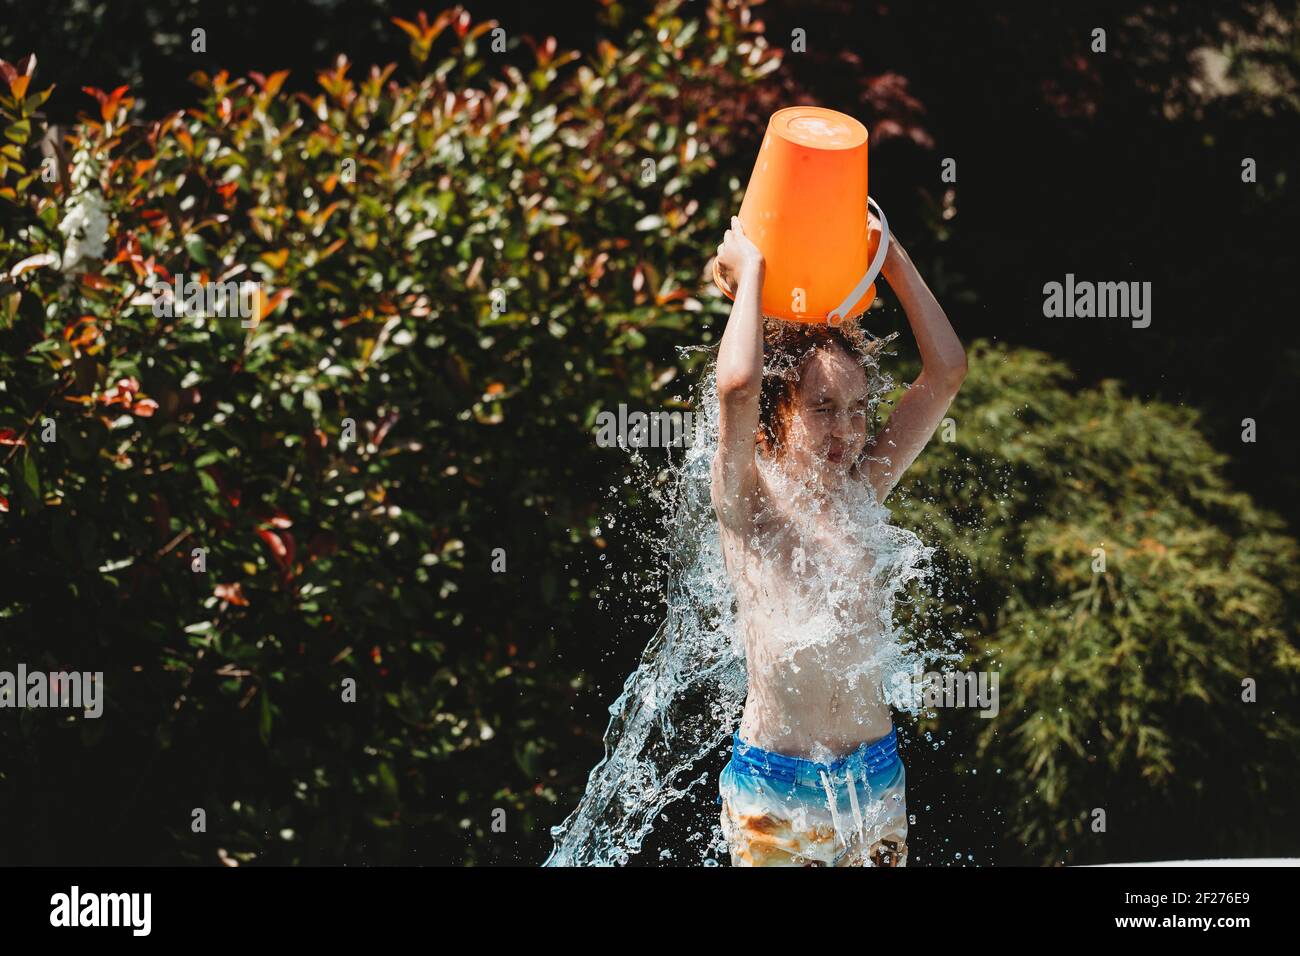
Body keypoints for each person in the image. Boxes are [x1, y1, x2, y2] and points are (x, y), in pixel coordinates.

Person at [710, 213, 968, 866]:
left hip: (873, 780)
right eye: (822, 408)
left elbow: (945, 373)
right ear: (776, 413)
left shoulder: (862, 489)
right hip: (776, 790)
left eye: (857, 410)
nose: (846, 431)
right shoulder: (747, 502)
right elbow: (736, 387)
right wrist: (752, 275)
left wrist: (893, 259)